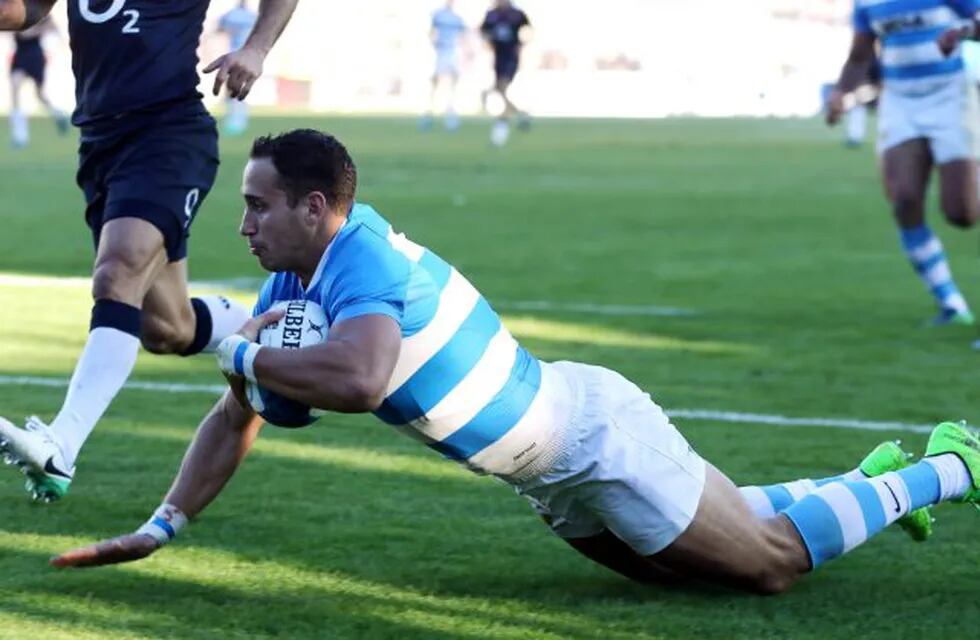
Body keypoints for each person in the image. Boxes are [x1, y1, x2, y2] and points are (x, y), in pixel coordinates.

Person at [47, 130, 980, 597]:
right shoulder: (296, 295)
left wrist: (235, 344)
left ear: (319, 206)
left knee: (770, 567)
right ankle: (867, 478)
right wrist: (163, 525)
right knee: (706, 566)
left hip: (591, 437)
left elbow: (363, 379)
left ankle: (946, 467)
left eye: (257, 206)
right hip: (549, 480)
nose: (241, 224)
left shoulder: (361, 258)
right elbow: (236, 412)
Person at [0, 0, 299, 504]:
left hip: (168, 132)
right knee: (166, 329)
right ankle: (278, 328)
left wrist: (256, 47)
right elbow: (20, 11)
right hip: (100, 141)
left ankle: (62, 444)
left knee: (117, 273)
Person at [827, 0, 980, 327]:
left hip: (951, 96)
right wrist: (841, 92)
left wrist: (962, 32)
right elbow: (860, 54)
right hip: (899, 100)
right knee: (905, 199)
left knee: (961, 213)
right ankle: (951, 304)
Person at [7, 15, 68, 148]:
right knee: (15, 87)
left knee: (40, 95)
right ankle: (20, 135)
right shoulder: (15, 7)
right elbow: (21, 33)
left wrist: (43, 32)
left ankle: (58, 115)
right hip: (20, 54)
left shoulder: (41, 11)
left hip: (35, 55)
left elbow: (55, 31)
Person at [480, 0, 530, 146]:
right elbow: (483, 31)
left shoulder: (517, 14)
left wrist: (521, 45)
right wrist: (488, 41)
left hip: (511, 58)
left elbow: (528, 29)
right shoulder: (491, 14)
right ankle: (521, 115)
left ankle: (502, 127)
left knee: (501, 88)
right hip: (498, 58)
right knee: (500, 90)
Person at [421, 0, 466, 132]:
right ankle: (428, 114)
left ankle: (450, 113)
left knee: (452, 83)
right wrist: (433, 44)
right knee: (435, 82)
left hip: (453, 52)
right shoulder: (438, 15)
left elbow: (462, 36)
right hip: (440, 52)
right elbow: (431, 32)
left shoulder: (457, 18)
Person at [217, 0, 258, 136]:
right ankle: (240, 121)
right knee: (242, 90)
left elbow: (219, 28)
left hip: (232, 56)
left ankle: (234, 122)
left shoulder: (231, 15)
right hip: (249, 57)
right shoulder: (253, 16)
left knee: (232, 90)